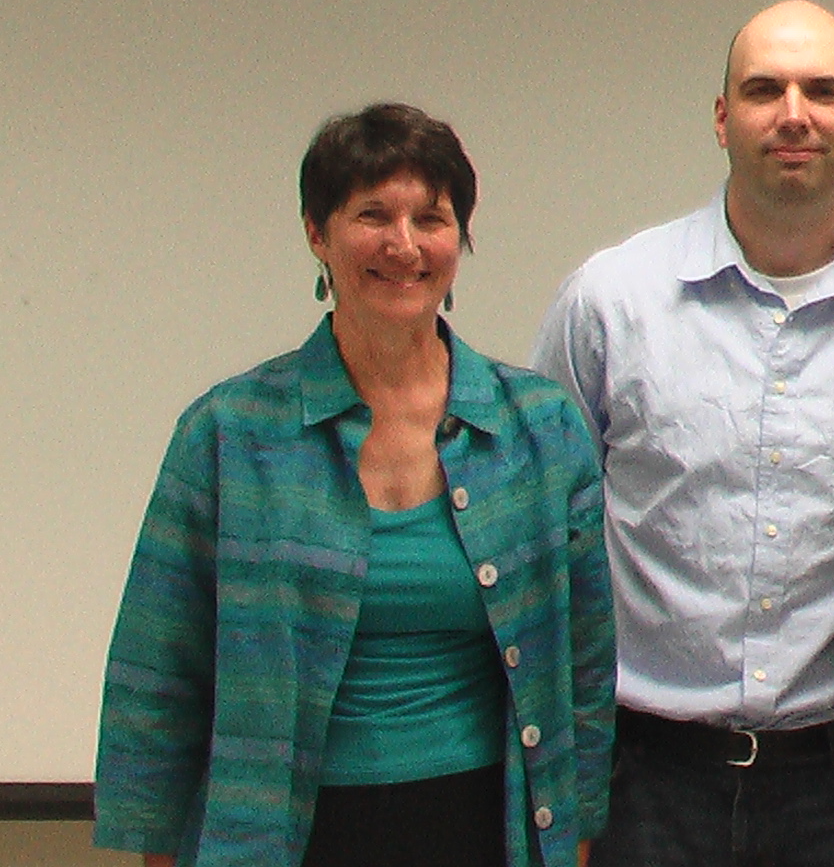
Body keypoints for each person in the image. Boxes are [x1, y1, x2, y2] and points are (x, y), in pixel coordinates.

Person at [94, 103, 615, 867]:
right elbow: (159, 671)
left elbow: (587, 662)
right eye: (373, 214)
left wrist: (577, 833)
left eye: (431, 218)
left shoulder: (539, 429)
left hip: (487, 824)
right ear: (318, 233)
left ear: (459, 241)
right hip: (280, 834)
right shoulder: (229, 433)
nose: (403, 245)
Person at [531, 0, 834, 867]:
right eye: (764, 89)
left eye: (823, 91)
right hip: (642, 784)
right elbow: (543, 532)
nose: (794, 114)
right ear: (722, 117)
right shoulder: (612, 303)